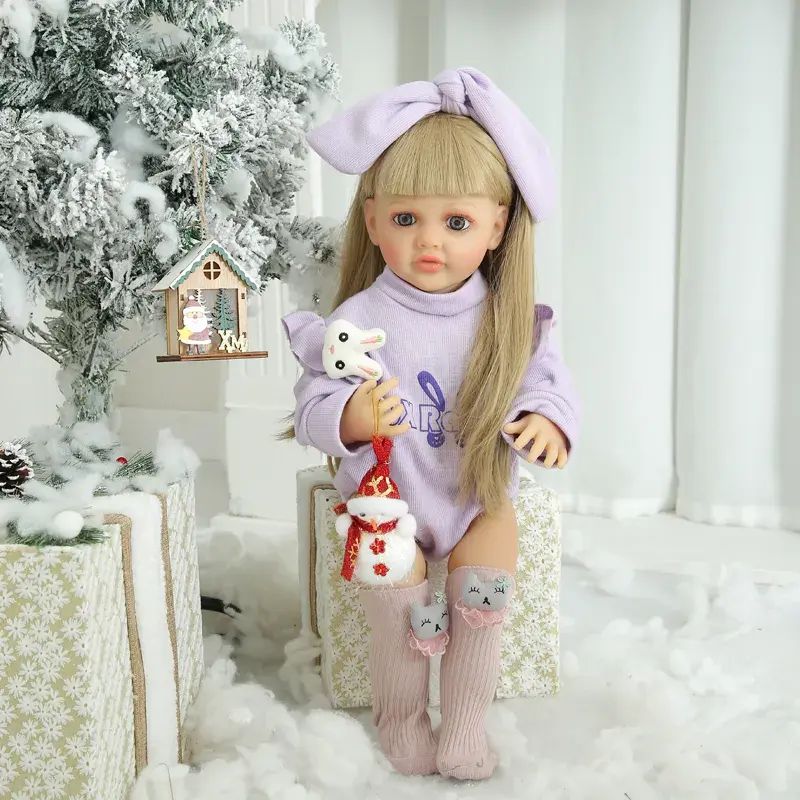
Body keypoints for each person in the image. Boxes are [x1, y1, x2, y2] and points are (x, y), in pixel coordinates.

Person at [282, 67, 580, 781]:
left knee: (485, 578)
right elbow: (312, 403)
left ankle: (466, 725)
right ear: (373, 219)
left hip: (476, 493)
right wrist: (350, 416)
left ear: (498, 225)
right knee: (396, 590)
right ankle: (403, 718)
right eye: (406, 219)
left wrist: (548, 421)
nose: (429, 242)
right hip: (387, 501)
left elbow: (548, 382)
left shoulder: (507, 320)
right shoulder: (359, 319)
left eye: (457, 222)